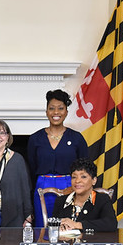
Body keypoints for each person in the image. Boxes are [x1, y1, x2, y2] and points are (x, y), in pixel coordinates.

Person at [26, 89, 89, 228]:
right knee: (43, 228)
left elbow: (86, 169)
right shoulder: (35, 138)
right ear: (46, 111)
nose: (56, 112)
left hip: (70, 186)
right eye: (52, 108)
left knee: (67, 228)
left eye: (60, 108)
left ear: (66, 112)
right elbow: (31, 169)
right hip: (42, 186)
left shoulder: (76, 138)